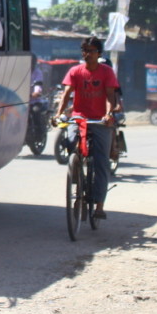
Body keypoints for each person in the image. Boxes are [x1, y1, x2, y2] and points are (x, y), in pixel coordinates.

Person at [54, 36, 119, 220]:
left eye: (91, 51)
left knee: (101, 162)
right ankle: (77, 175)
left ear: (99, 53)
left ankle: (99, 205)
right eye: (84, 50)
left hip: (100, 120)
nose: (87, 54)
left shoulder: (106, 72)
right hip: (79, 117)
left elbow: (109, 96)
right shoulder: (75, 71)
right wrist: (59, 113)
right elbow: (67, 94)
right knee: (70, 142)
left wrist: (108, 115)